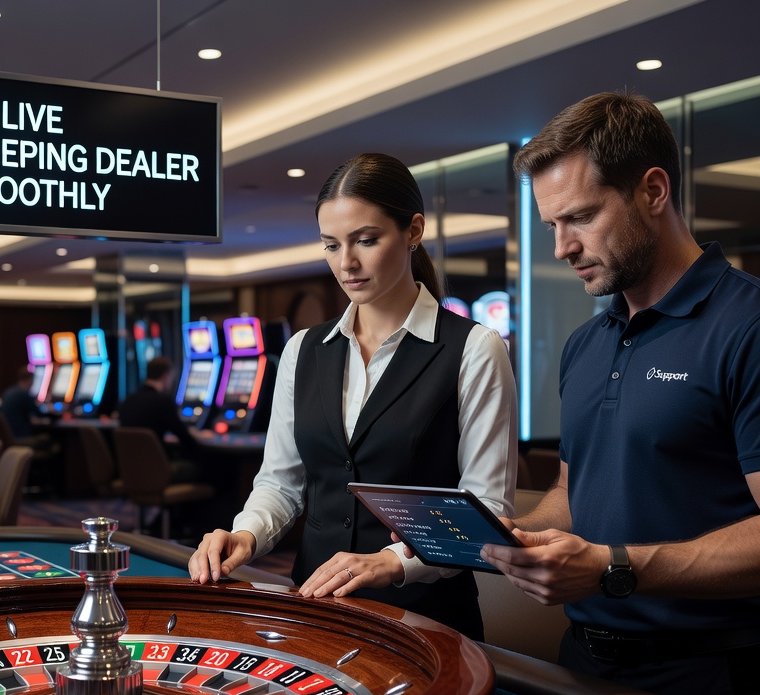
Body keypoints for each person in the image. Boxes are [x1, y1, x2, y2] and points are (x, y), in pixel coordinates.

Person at [481, 92, 760, 695]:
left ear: (653, 190)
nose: (563, 247)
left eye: (582, 217)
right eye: (551, 227)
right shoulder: (587, 343)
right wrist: (523, 538)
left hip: (717, 680)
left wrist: (613, 569)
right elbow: (577, 490)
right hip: (584, 662)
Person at [188, 152, 518, 639]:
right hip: (316, 608)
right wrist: (246, 534)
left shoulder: (474, 348)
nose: (347, 263)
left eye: (366, 240)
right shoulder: (303, 350)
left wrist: (391, 562)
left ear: (414, 231)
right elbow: (281, 483)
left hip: (426, 621)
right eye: (331, 245)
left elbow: (489, 508)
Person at [116, 356, 201, 481]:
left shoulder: (129, 400)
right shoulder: (163, 401)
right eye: (171, 377)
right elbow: (186, 439)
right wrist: (197, 435)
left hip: (132, 470)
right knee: (210, 466)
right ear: (166, 375)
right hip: (158, 471)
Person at [0, 366, 48, 444]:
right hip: (21, 437)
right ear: (30, 381)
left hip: (8, 437)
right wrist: (58, 415)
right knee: (48, 438)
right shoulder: (24, 394)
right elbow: (39, 414)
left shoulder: (8, 391)